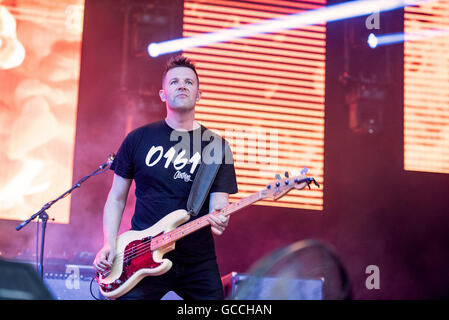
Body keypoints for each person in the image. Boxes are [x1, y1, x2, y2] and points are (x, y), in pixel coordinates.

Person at [93, 55, 238, 300]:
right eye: (175, 82)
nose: (182, 86)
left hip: (197, 260)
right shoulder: (138, 139)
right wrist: (109, 243)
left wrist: (220, 218)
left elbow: (218, 204)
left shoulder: (217, 147)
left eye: (189, 83)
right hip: (141, 254)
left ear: (199, 95)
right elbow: (116, 198)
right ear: (162, 94)